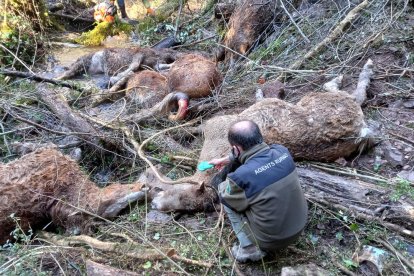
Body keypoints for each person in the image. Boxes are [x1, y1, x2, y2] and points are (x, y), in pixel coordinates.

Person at [209, 120, 308, 262]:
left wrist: (226, 184)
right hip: (299, 228)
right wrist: (226, 159)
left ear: (236, 149)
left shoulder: (241, 176)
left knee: (226, 196)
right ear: (259, 137)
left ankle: (249, 248)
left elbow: (226, 195)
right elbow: (255, 152)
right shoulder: (282, 152)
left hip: (272, 240)